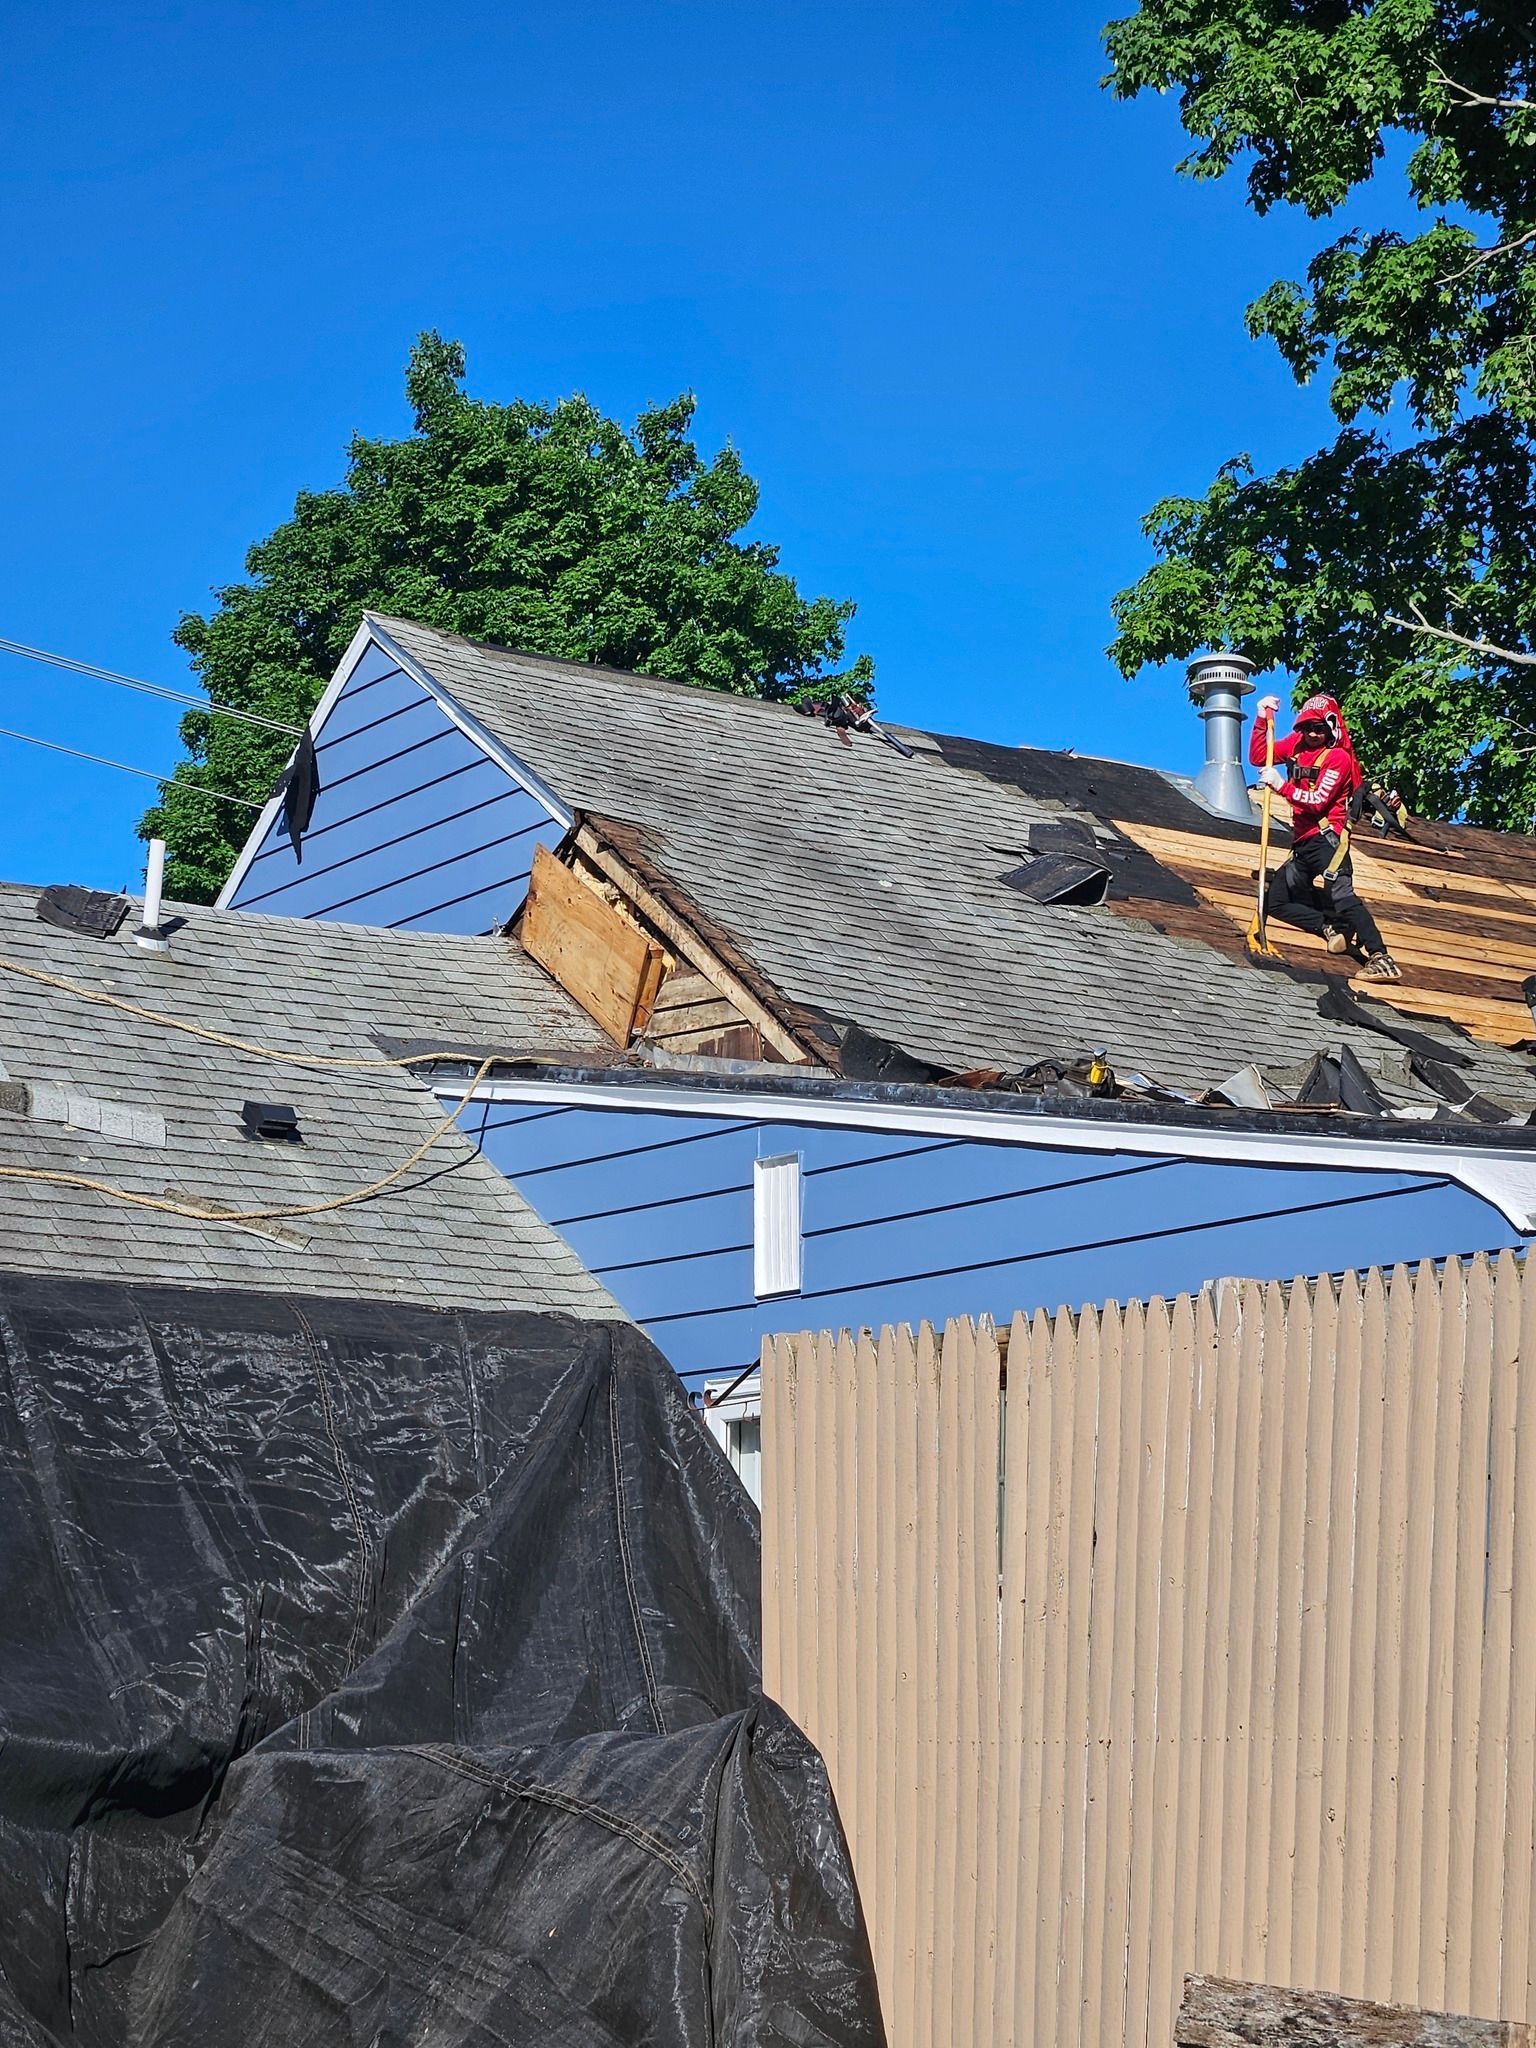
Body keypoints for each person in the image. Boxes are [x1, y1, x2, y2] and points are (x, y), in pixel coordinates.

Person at [1248, 692, 1401, 981]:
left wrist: (1281, 786)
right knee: (1275, 901)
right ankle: (1331, 925)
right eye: (1308, 728)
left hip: (1327, 840)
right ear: (1300, 728)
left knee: (1342, 895)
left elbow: (1317, 800)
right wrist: (1260, 720)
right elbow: (1259, 756)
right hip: (1303, 843)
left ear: (1330, 729)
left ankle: (1381, 958)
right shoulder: (1296, 745)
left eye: (1320, 728)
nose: (1314, 734)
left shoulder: (1338, 757)